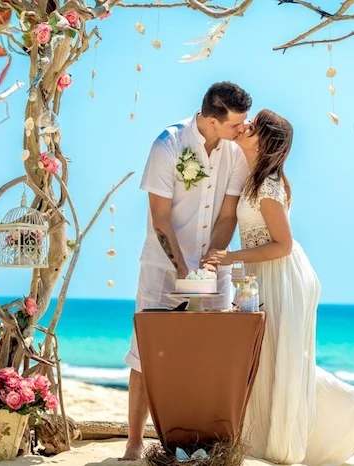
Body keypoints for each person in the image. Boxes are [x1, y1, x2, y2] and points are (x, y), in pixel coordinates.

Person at [203, 109, 354, 466]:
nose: (244, 128)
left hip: (282, 275)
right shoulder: (252, 178)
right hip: (265, 273)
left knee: (283, 359)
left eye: (252, 127)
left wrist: (230, 257)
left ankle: (352, 408)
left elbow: (282, 245)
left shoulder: (268, 186)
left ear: (265, 140)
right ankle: (348, 406)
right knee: (277, 359)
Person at [122, 82, 252, 461]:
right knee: (145, 354)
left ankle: (208, 442)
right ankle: (133, 442)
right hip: (163, 267)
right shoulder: (168, 144)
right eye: (234, 125)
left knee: (214, 353)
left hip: (214, 270)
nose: (241, 130)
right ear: (213, 121)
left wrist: (213, 257)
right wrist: (182, 267)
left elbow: (228, 214)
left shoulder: (235, 154)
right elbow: (160, 217)